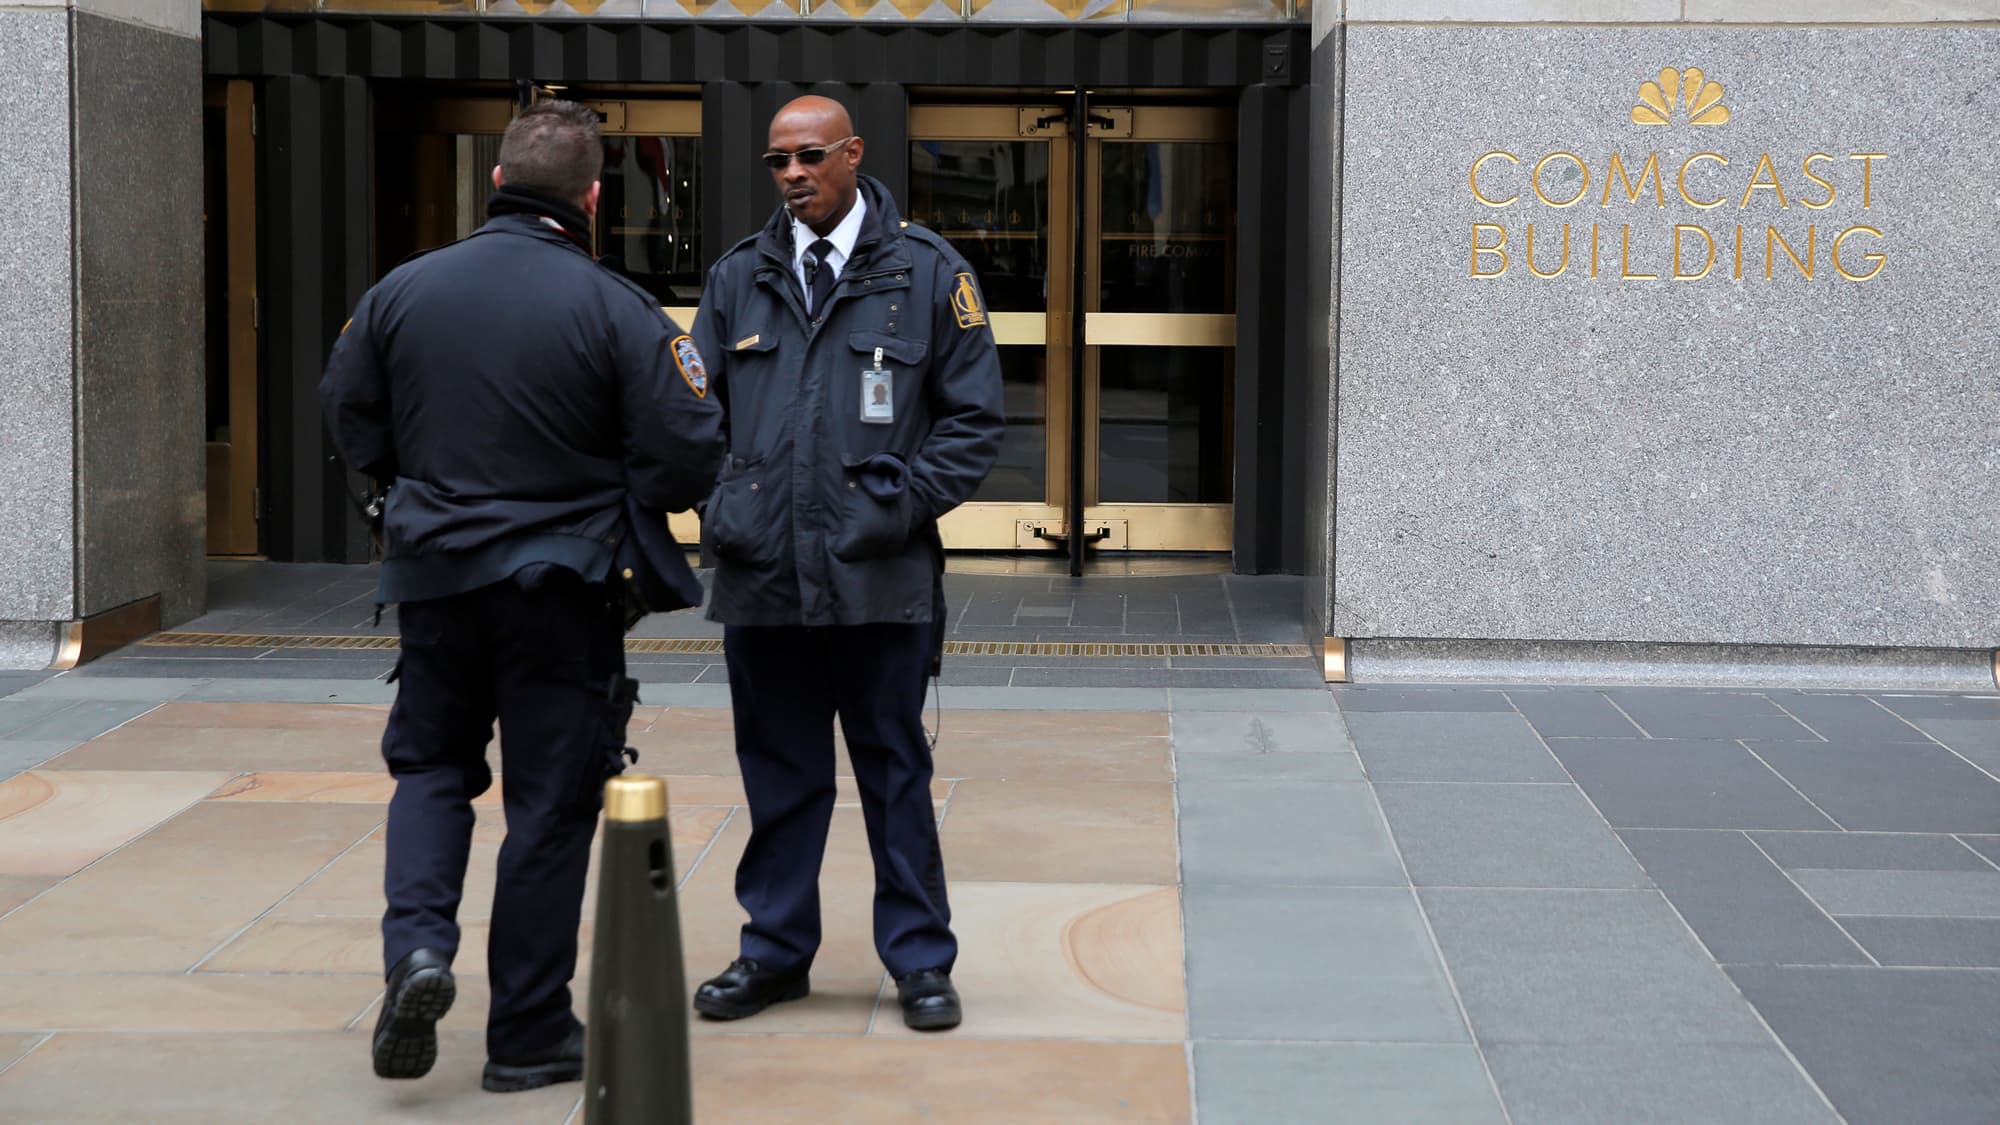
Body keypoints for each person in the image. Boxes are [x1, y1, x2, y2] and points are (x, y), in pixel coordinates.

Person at [318, 99, 724, 1092]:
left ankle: (417, 951)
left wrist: (396, 502)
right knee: (547, 807)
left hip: (434, 582)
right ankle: (529, 1032)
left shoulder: (401, 292)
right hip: (563, 592)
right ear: (591, 196)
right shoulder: (615, 308)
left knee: (428, 772)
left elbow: (346, 410)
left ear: (496, 183)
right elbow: (688, 453)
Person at [687, 95, 1005, 1032]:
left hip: (881, 579)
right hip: (764, 577)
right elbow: (694, 412)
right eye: (777, 160)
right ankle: (775, 952)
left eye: (811, 156)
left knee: (893, 771)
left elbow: (974, 419)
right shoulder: (739, 277)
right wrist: (725, 503)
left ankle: (919, 962)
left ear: (853, 155)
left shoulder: (928, 272)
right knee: (780, 775)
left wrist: (899, 505)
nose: (792, 175)